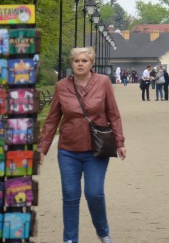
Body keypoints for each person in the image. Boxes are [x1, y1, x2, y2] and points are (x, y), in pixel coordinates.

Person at [39, 46, 127, 243]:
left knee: (94, 193)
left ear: (91, 63)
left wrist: (120, 142)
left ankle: (103, 232)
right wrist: (42, 148)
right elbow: (52, 119)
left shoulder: (103, 82)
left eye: (84, 61)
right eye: (76, 61)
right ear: (71, 63)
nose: (80, 64)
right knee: (70, 195)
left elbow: (113, 113)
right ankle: (70, 239)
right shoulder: (61, 86)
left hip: (97, 149)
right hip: (68, 150)